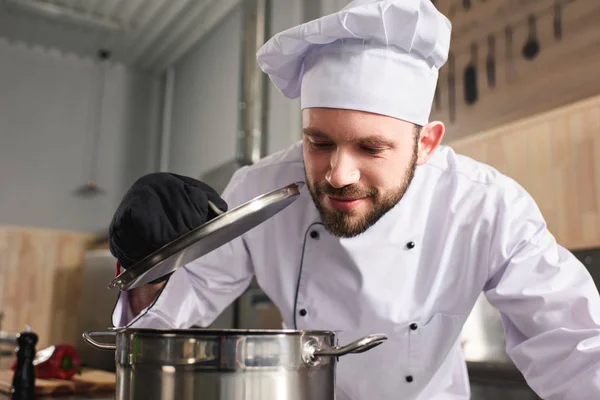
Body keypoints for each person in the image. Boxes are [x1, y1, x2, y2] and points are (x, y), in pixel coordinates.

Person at [108, 0, 600, 399]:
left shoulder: (486, 206)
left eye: (371, 147)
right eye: (318, 142)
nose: (337, 175)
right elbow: (168, 321)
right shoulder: (259, 192)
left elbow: (575, 345)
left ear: (425, 144)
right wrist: (152, 265)